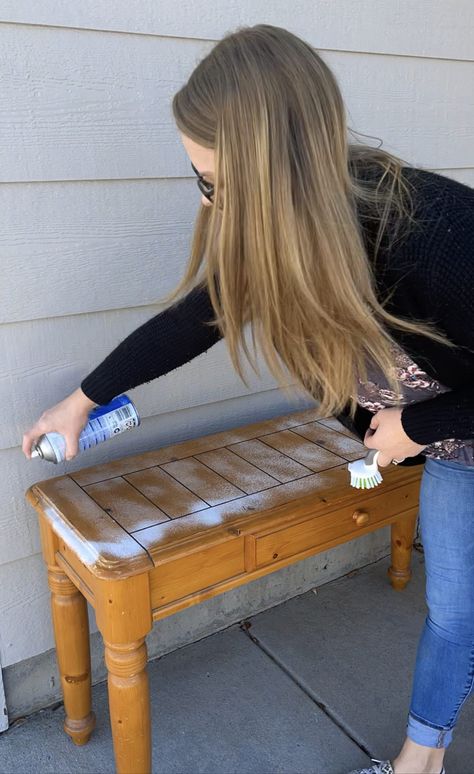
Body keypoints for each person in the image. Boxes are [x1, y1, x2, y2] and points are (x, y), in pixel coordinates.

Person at [22, 23, 473, 774]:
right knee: (455, 612)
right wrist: (82, 398)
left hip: (443, 429)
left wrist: (418, 426)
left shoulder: (435, 230)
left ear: (283, 173)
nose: (213, 205)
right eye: (202, 181)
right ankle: (419, 766)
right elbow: (198, 317)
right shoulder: (288, 231)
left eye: (220, 185)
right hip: (448, 447)